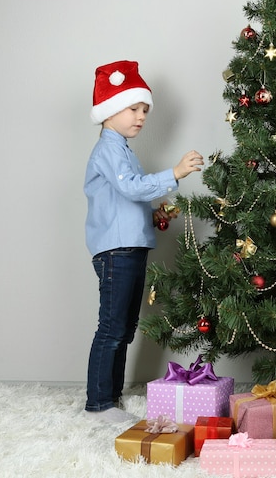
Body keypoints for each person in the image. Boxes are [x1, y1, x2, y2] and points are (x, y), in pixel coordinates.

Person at [84, 60, 204, 423]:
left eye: (145, 111)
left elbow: (126, 201)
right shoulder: (109, 149)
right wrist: (175, 173)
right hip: (116, 252)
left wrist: (153, 216)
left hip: (128, 247)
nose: (141, 117)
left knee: (124, 327)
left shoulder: (122, 149)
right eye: (134, 108)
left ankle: (110, 396)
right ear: (110, 110)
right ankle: (99, 404)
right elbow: (131, 188)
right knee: (112, 327)